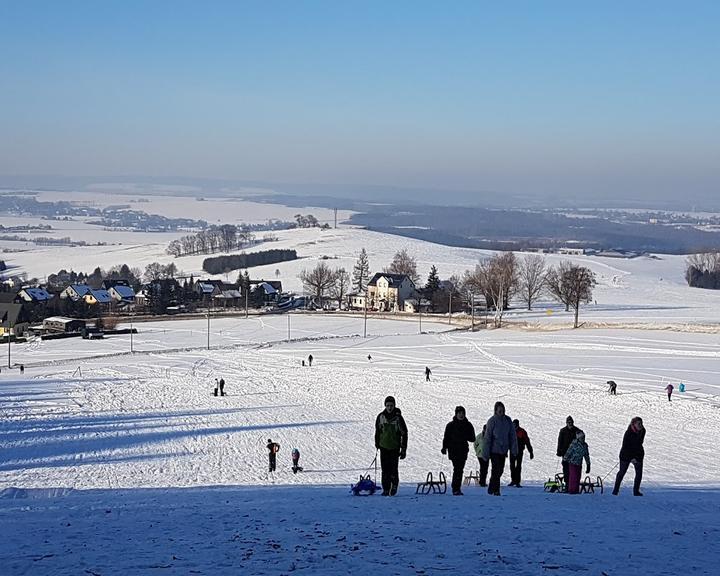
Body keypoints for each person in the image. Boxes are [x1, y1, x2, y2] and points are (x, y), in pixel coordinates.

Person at [482, 401, 518, 496]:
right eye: (499, 410)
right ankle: (496, 490)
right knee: (496, 469)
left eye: (503, 410)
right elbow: (487, 438)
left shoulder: (508, 421)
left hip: (503, 450)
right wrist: (485, 452)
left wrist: (514, 448)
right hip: (494, 450)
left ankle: (491, 486)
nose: (501, 412)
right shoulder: (492, 421)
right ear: (496, 411)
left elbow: (512, 436)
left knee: (500, 470)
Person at [374, 395, 408, 496]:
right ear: (385, 405)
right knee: (385, 469)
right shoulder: (381, 417)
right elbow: (378, 431)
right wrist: (377, 443)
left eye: (391, 405)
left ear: (394, 406)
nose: (389, 407)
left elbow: (404, 433)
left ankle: (394, 486)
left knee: (393, 468)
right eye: (388, 405)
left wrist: (403, 449)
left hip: (394, 447)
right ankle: (385, 488)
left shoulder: (398, 418)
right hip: (384, 446)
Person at [441, 406, 476, 495]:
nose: (461, 415)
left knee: (459, 469)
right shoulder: (450, 425)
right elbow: (446, 438)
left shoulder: (468, 425)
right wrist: (444, 447)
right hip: (453, 450)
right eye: (459, 413)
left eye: (462, 413)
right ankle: (456, 488)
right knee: (458, 468)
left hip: (463, 450)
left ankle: (456, 487)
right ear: (456, 414)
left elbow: (473, 438)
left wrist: (466, 436)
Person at [612, 416, 646, 496]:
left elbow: (639, 444)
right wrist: (631, 458)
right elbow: (626, 447)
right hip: (626, 454)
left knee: (639, 473)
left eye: (641, 423)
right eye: (638, 424)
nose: (640, 425)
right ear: (633, 424)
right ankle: (615, 491)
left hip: (638, 454)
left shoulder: (643, 431)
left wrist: (636, 457)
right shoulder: (628, 433)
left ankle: (636, 491)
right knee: (622, 472)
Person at [557, 416, 583, 490]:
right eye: (569, 422)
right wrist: (559, 451)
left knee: (574, 470)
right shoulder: (563, 431)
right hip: (565, 453)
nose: (570, 424)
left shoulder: (577, 430)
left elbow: (581, 438)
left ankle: (573, 485)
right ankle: (567, 484)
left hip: (574, 454)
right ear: (566, 423)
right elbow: (560, 441)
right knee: (566, 469)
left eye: (571, 422)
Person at [509, 419, 534, 487]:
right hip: (512, 451)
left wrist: (531, 452)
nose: (514, 425)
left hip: (519, 451)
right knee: (512, 466)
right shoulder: (510, 431)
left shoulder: (522, 431)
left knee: (518, 466)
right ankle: (513, 480)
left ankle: (517, 482)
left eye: (515, 424)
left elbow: (527, 442)